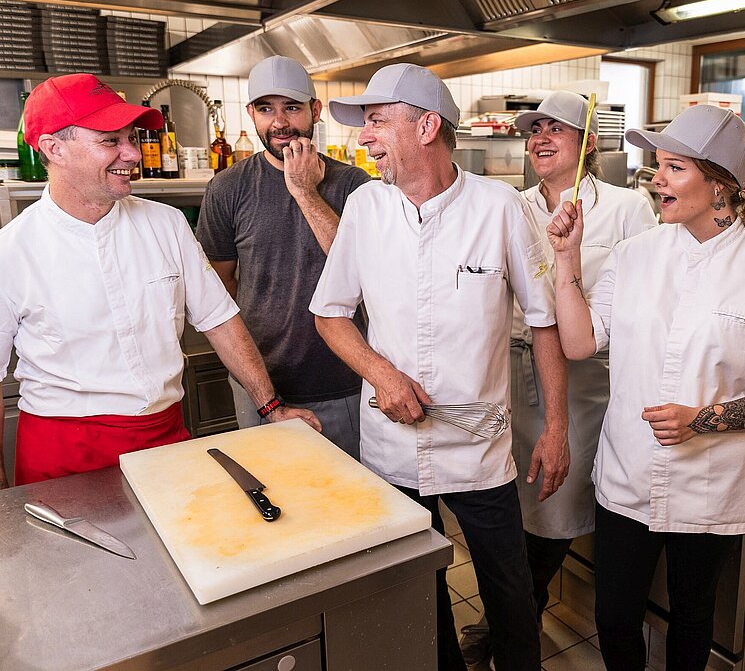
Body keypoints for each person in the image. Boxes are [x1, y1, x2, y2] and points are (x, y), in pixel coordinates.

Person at [309, 63, 570, 671]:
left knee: (511, 599)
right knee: (419, 598)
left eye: (376, 122)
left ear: (426, 126)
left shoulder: (499, 207)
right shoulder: (366, 209)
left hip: (478, 454)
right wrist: (382, 374)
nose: (363, 138)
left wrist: (556, 429)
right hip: (391, 450)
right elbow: (330, 315)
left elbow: (545, 322)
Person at [547, 104, 745, 671]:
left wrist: (703, 420)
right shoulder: (633, 255)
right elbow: (577, 343)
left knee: (693, 615)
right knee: (615, 616)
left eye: (673, 168)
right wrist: (566, 259)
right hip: (627, 472)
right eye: (657, 166)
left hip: (711, 485)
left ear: (719, 183)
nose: (656, 179)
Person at [0, 73, 320, 488]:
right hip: (63, 450)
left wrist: (271, 407)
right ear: (53, 148)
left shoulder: (165, 224)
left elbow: (220, 320)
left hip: (165, 439)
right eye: (110, 141)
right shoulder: (12, 250)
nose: (132, 153)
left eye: (132, 137)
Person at [458, 90, 656, 666]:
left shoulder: (624, 208)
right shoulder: (510, 206)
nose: (540, 138)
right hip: (509, 365)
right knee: (512, 496)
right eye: (534, 129)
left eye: (556, 128)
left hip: (585, 373)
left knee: (556, 502)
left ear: (588, 142)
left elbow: (641, 295)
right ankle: (515, 617)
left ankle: (518, 614)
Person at [197, 56, 369, 459]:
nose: (279, 122)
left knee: (356, 507)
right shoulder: (227, 189)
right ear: (251, 114)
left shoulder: (356, 185)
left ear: (314, 110)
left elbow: (364, 275)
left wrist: (305, 192)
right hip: (262, 389)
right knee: (275, 505)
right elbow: (219, 288)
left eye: (291, 107)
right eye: (265, 109)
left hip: (347, 383)